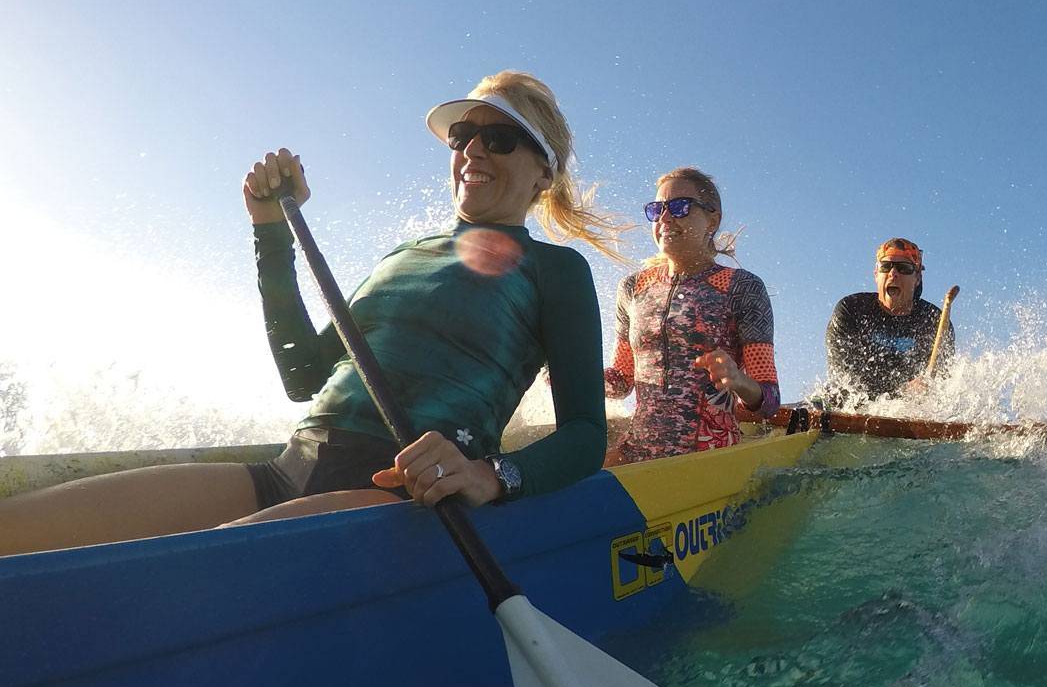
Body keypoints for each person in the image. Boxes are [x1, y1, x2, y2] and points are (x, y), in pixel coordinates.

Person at [0, 72, 624, 556]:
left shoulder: (555, 270)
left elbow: (584, 436)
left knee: (156, 574)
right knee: (14, 531)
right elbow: (303, 375)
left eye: (500, 138)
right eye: (463, 136)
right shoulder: (403, 255)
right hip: (287, 469)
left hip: (399, 496)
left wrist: (491, 475)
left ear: (543, 173)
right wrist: (270, 232)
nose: (472, 151)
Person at [604, 167, 780, 462]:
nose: (664, 218)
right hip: (637, 456)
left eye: (679, 207)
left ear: (713, 220)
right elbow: (621, 381)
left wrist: (738, 380)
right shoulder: (633, 288)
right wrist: (568, 371)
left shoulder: (742, 287)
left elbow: (769, 400)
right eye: (656, 209)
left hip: (709, 460)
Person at [824, 237, 955, 402]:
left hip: (912, 408)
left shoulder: (935, 322)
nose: (893, 273)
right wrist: (902, 390)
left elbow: (942, 382)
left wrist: (929, 386)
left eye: (904, 268)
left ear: (917, 278)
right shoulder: (852, 310)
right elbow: (843, 377)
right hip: (852, 404)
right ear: (876, 275)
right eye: (885, 266)